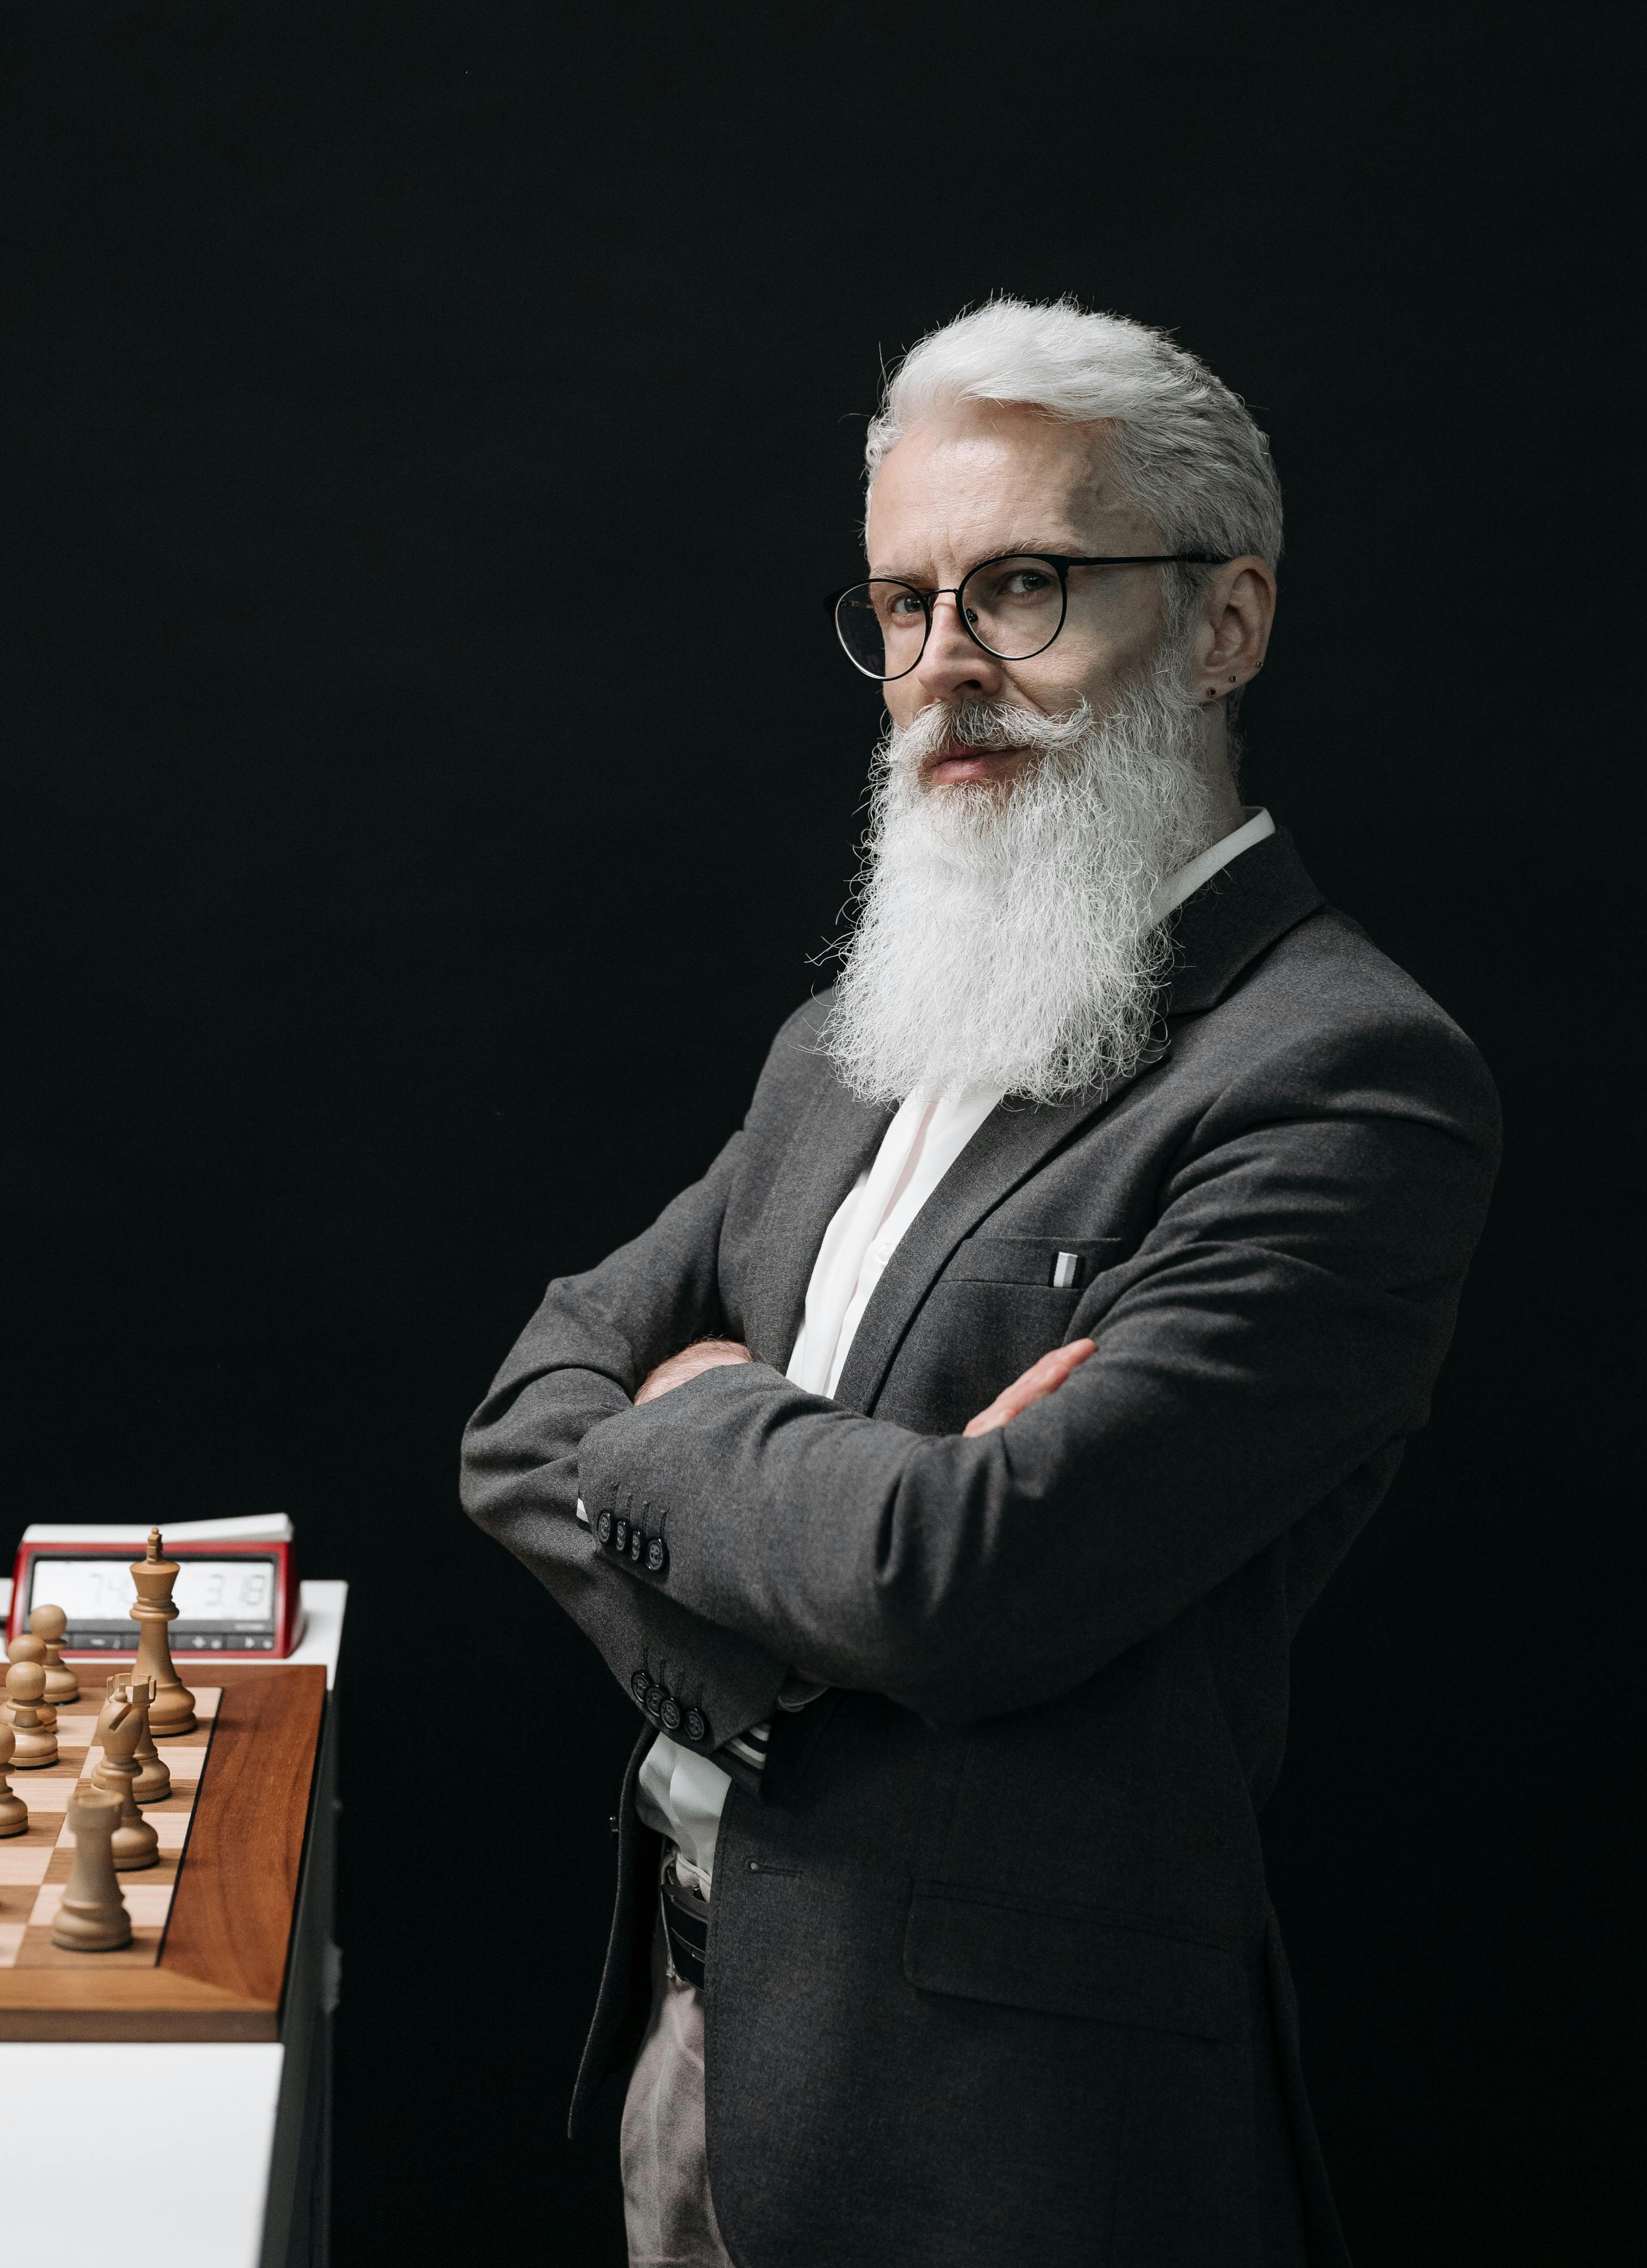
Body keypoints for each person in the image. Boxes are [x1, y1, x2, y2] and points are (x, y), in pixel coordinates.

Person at [460, 296, 1499, 2268]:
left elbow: (968, 1575)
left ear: (1223, 623)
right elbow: (524, 1414)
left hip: (1001, 2133)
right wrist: (817, 1566)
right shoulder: (859, 1035)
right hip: (691, 2028)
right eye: (904, 608)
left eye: (1023, 588)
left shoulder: (1346, 1077)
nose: (947, 671)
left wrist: (694, 1425)